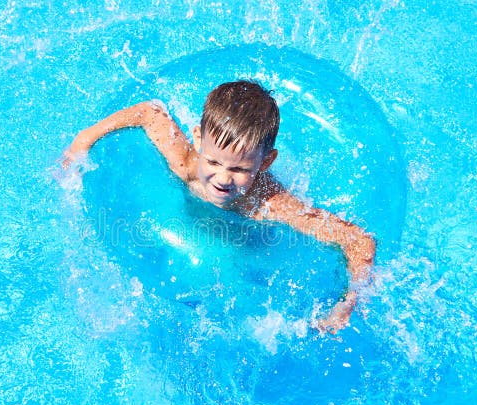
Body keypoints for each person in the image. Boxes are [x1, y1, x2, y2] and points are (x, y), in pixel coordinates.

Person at [62, 80, 375, 333]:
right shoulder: (185, 163)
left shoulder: (267, 203)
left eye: (239, 170)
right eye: (213, 161)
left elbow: (359, 240)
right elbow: (149, 112)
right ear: (198, 140)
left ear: (265, 163)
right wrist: (83, 139)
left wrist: (350, 299)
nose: (223, 178)